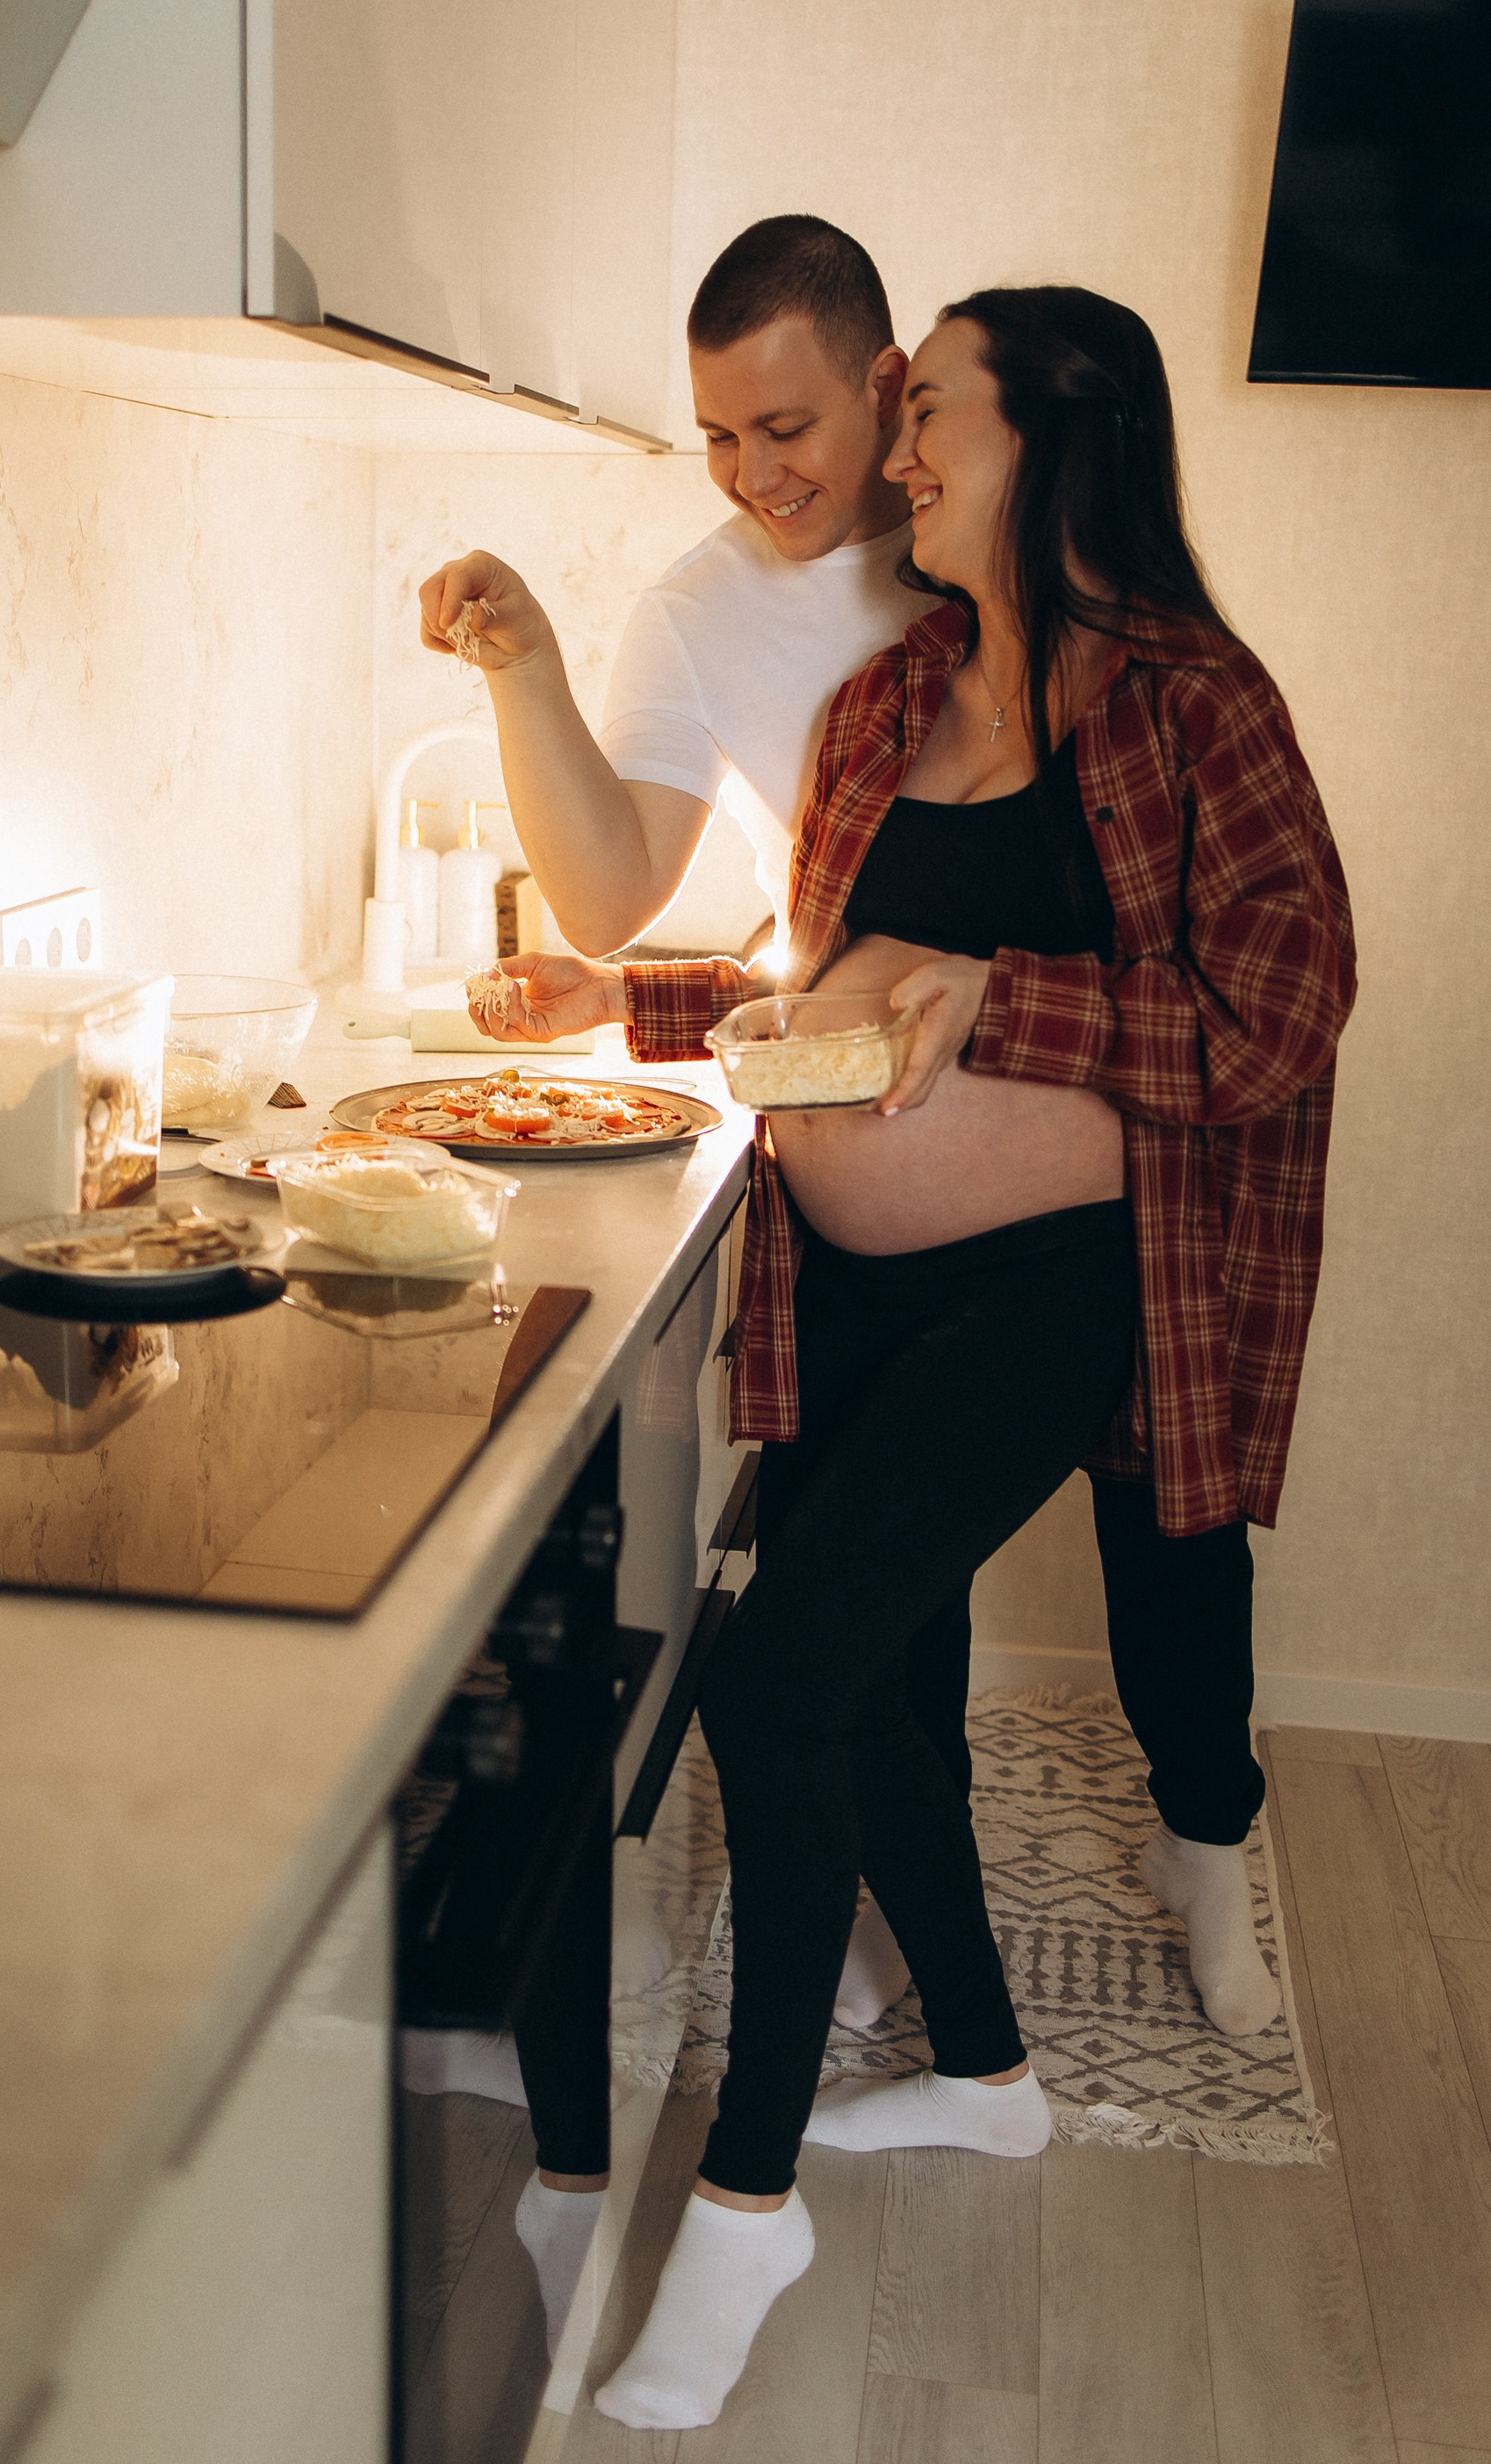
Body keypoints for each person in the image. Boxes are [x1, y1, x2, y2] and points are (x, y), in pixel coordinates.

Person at [453, 284, 1356, 2431]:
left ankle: (746, 2205)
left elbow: (1280, 1014)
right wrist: (629, 1007)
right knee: (887, 1720)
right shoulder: (885, 702)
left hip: (1056, 1295)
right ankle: (981, 2075)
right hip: (841, 1283)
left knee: (777, 1681)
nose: (889, 437)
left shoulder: (1187, 708)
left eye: (919, 402)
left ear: (1050, 434)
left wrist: (1000, 1003)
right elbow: (816, 991)